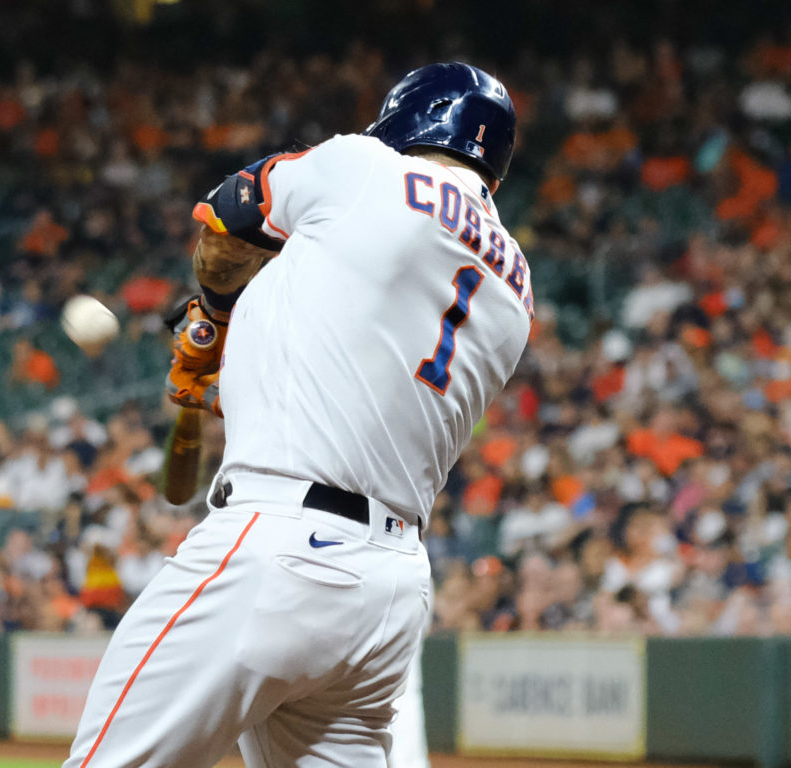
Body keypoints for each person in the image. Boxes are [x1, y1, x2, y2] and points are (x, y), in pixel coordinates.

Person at [66, 62, 533, 768]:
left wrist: (215, 317)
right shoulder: (517, 285)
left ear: (402, 120)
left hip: (278, 550)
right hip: (391, 591)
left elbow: (228, 218)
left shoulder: (364, 168)